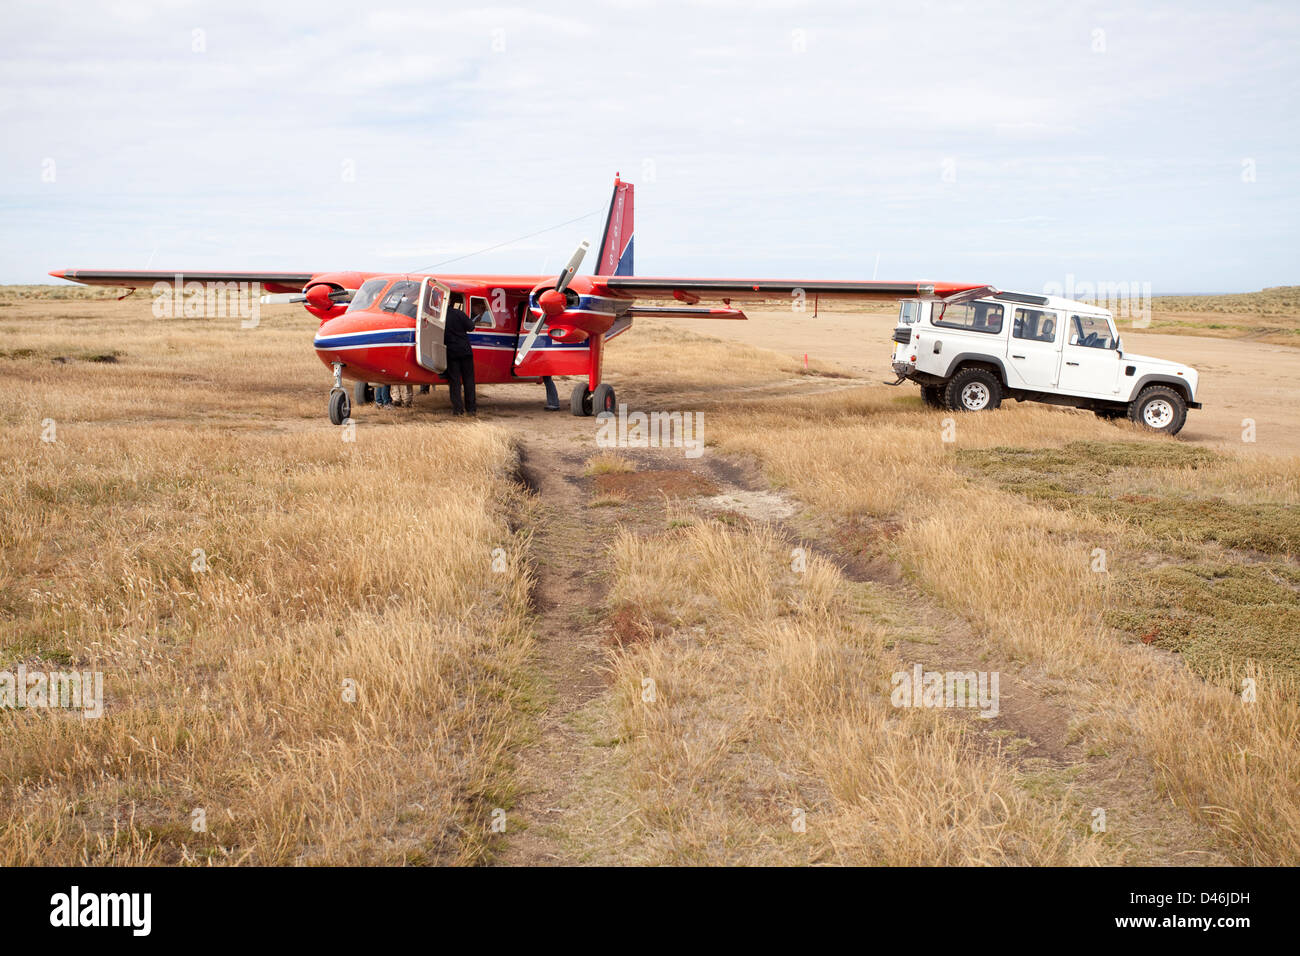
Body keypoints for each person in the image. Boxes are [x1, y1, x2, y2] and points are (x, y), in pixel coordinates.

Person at [445, 296, 477, 416]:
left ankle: (458, 410)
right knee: (469, 381)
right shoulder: (459, 313)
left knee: (455, 382)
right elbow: (471, 327)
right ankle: (471, 409)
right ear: (450, 302)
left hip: (451, 352)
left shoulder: (439, 317)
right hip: (465, 351)